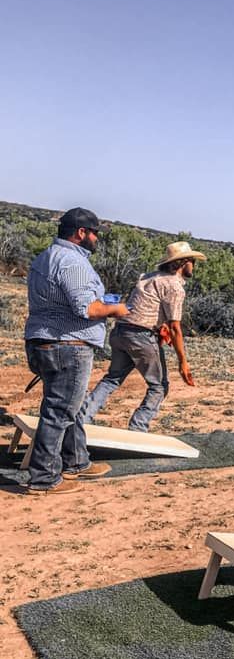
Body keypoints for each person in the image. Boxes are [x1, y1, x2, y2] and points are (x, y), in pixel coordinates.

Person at [23, 208, 130, 495]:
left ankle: (76, 461)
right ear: (81, 233)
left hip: (42, 340)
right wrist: (116, 309)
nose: (97, 238)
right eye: (94, 232)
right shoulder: (73, 262)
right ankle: (44, 478)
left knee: (65, 406)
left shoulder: (44, 258)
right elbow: (88, 308)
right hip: (68, 344)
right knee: (59, 411)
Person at [81, 241, 205, 431]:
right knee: (159, 386)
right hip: (141, 336)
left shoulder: (149, 277)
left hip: (121, 331)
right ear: (184, 263)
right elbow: (175, 328)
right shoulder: (174, 286)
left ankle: (82, 420)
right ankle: (138, 429)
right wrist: (183, 363)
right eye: (192, 262)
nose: (194, 266)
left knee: (112, 378)